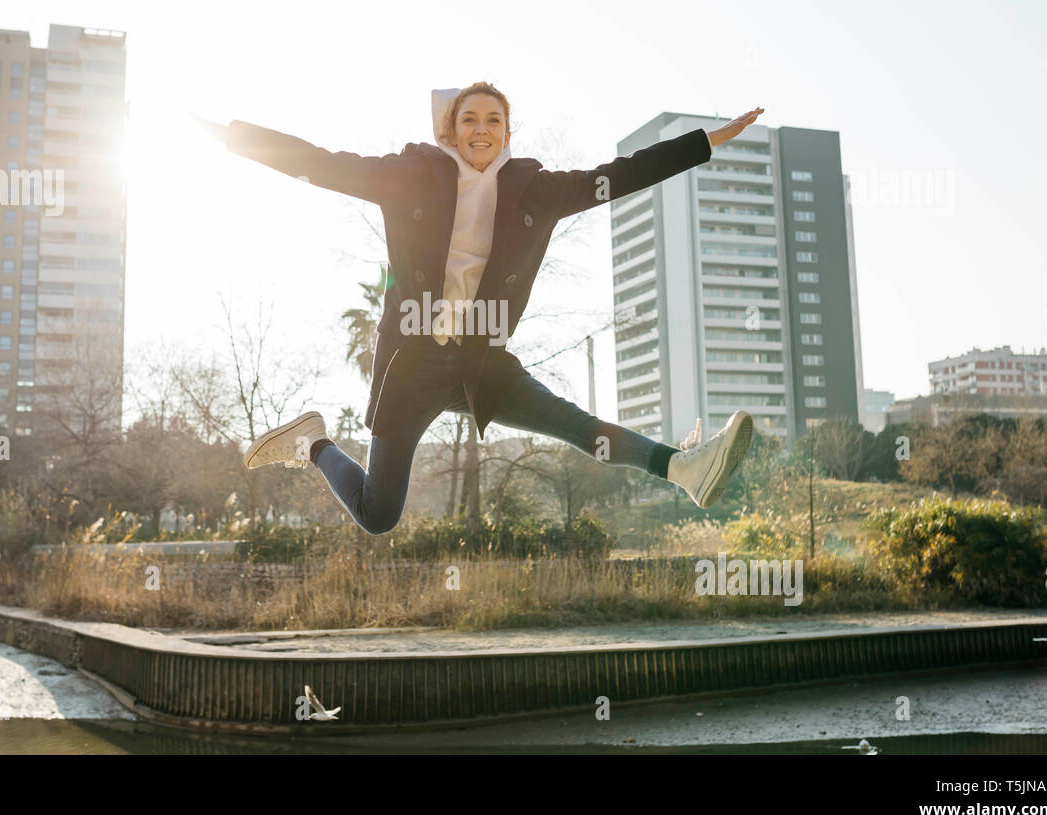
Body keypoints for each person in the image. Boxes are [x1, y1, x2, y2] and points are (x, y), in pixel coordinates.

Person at [198, 85, 763, 536]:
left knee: (574, 425)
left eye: (494, 120)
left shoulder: (535, 191)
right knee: (378, 516)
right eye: (470, 119)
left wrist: (704, 142)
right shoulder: (410, 177)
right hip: (413, 362)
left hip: (480, 360)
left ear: (507, 132)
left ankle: (682, 468)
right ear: (451, 128)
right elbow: (322, 164)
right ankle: (315, 442)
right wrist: (233, 137)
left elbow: (619, 177)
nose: (482, 130)